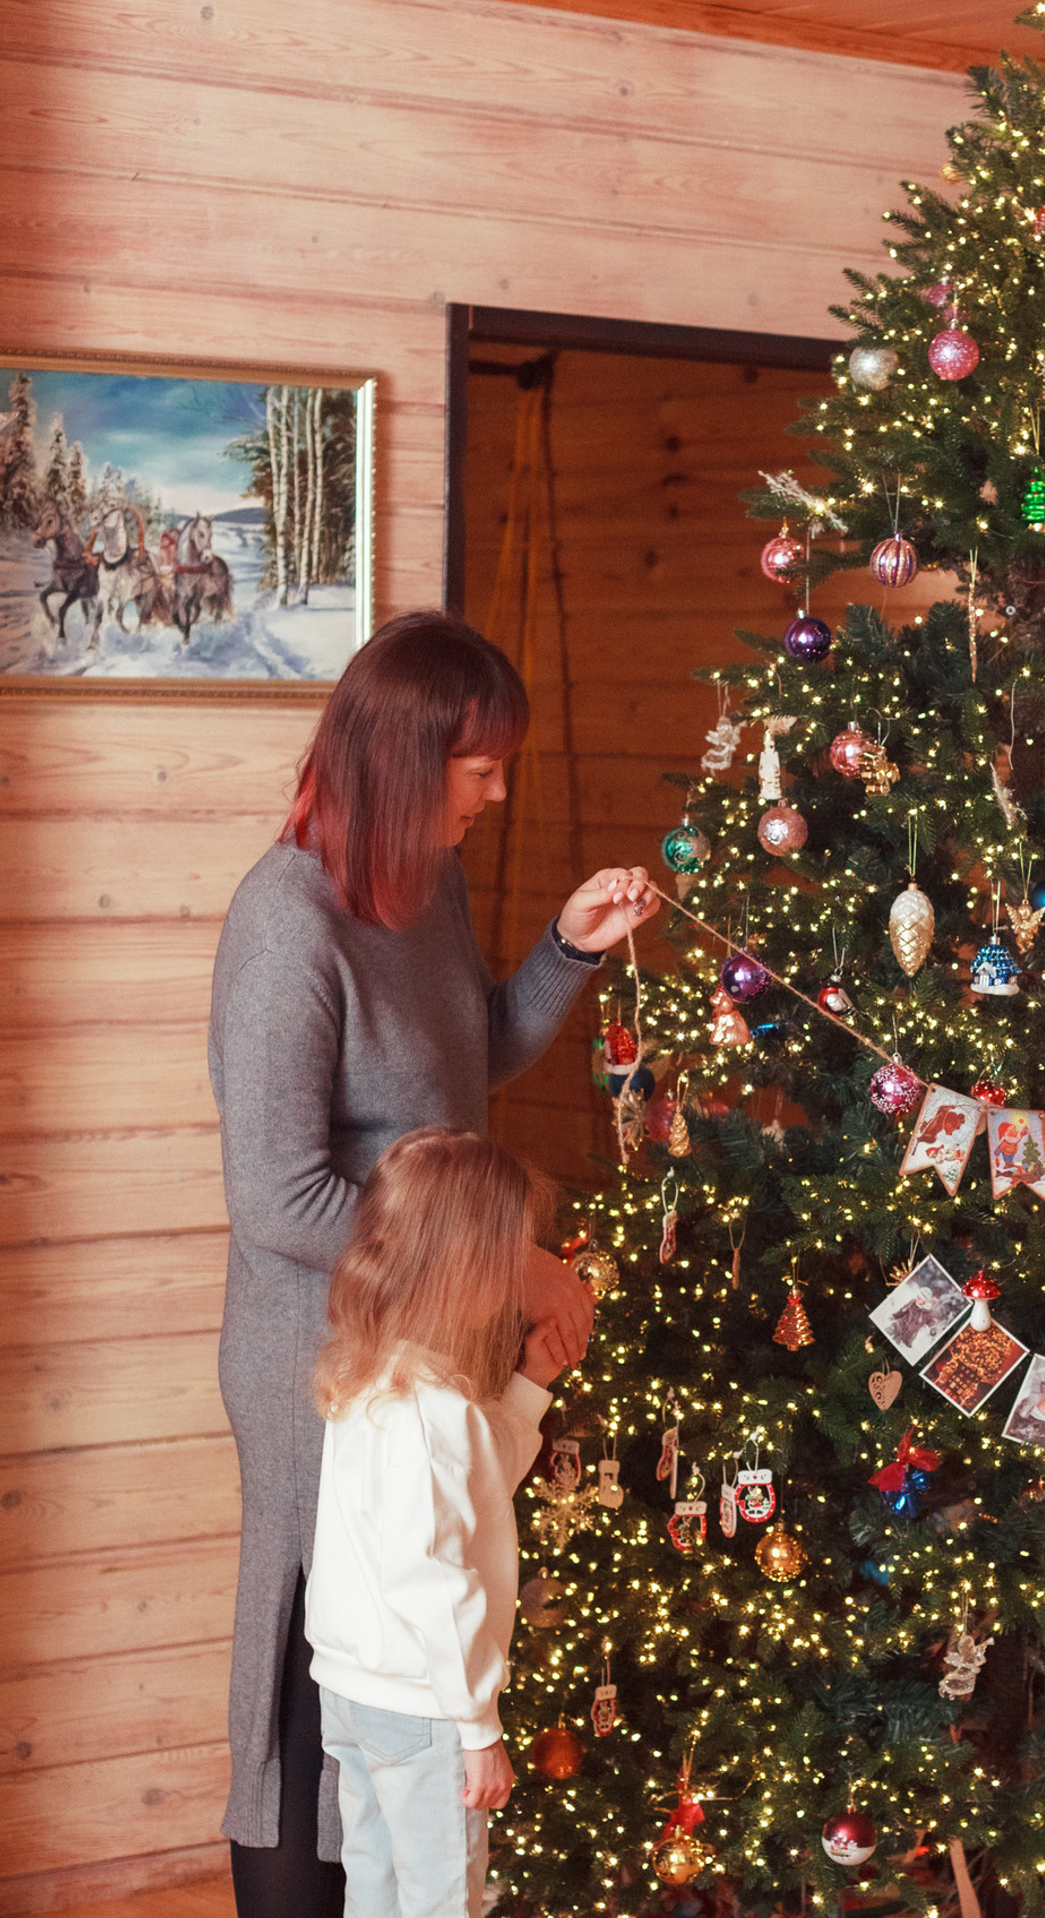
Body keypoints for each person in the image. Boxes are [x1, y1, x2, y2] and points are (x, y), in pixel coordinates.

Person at [208, 610, 660, 1916]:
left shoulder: (429, 883)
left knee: (407, 1667)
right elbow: (278, 1197)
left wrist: (566, 951)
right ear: (406, 761)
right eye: (480, 764)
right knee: (315, 1695)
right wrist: (502, 1264)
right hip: (321, 1355)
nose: (500, 787)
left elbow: (465, 1069)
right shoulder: (285, 923)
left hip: (435, 1322)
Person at [307, 1127, 566, 1918]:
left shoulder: (369, 1377)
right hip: (425, 1708)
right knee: (442, 1899)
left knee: (377, 1884)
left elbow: (475, 1488)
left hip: (353, 1692)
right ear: (472, 1267)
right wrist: (477, 1725)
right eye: (516, 1252)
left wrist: (530, 1385)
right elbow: (432, 1581)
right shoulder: (435, 1414)